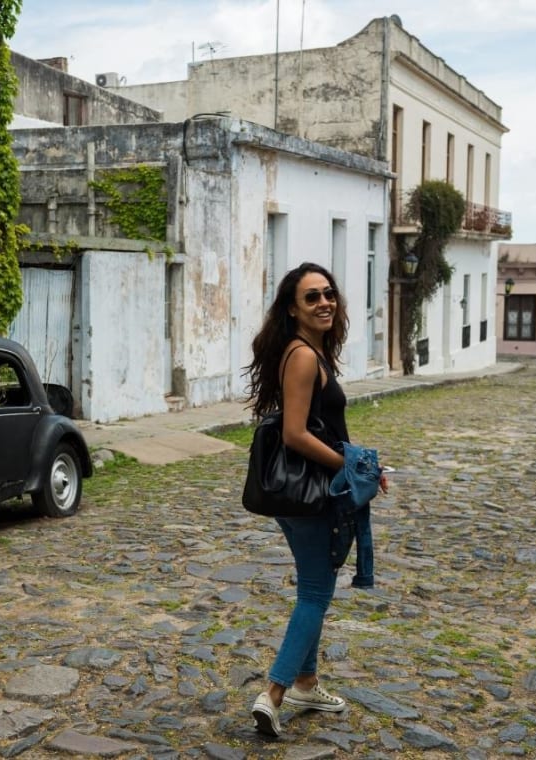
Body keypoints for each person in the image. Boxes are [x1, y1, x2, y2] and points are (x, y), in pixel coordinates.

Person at [243, 262, 387, 738]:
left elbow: (322, 429)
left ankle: (306, 682)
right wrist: (348, 468)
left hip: (301, 493)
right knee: (315, 594)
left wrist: (365, 468)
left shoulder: (310, 352)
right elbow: (296, 434)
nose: (325, 302)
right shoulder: (303, 356)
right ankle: (276, 692)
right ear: (293, 308)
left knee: (313, 584)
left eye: (329, 293)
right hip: (307, 493)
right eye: (312, 297)